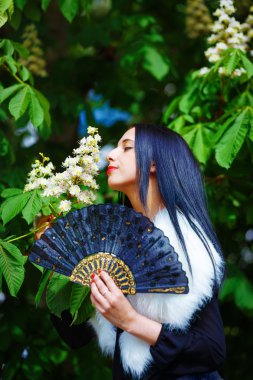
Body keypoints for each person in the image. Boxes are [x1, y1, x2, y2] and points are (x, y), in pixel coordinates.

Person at [51, 124, 226, 380]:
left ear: (154, 163)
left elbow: (211, 350)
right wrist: (55, 259)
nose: (110, 155)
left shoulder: (189, 245)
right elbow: (74, 335)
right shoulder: (114, 245)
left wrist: (130, 320)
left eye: (127, 148)